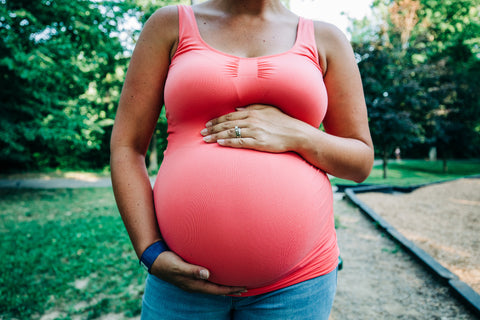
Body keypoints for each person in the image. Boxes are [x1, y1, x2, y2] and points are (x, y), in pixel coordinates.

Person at [110, 0, 374, 319]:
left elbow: (360, 162)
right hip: (179, 283)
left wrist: (299, 134)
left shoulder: (325, 38)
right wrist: (149, 250)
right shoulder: (170, 25)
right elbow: (127, 146)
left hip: (297, 284)